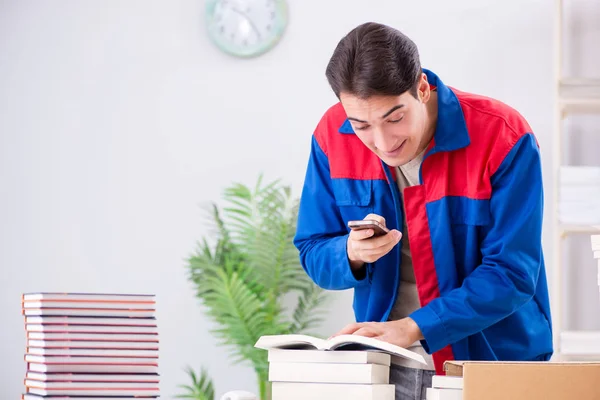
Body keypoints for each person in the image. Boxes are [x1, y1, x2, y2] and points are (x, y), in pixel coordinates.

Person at [293, 22, 553, 400]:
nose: (382, 142)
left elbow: (512, 273)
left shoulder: (503, 135)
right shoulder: (331, 137)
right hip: (386, 362)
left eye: (395, 117)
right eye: (361, 125)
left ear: (422, 88)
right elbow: (312, 249)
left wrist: (416, 325)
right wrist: (350, 253)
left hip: (493, 360)